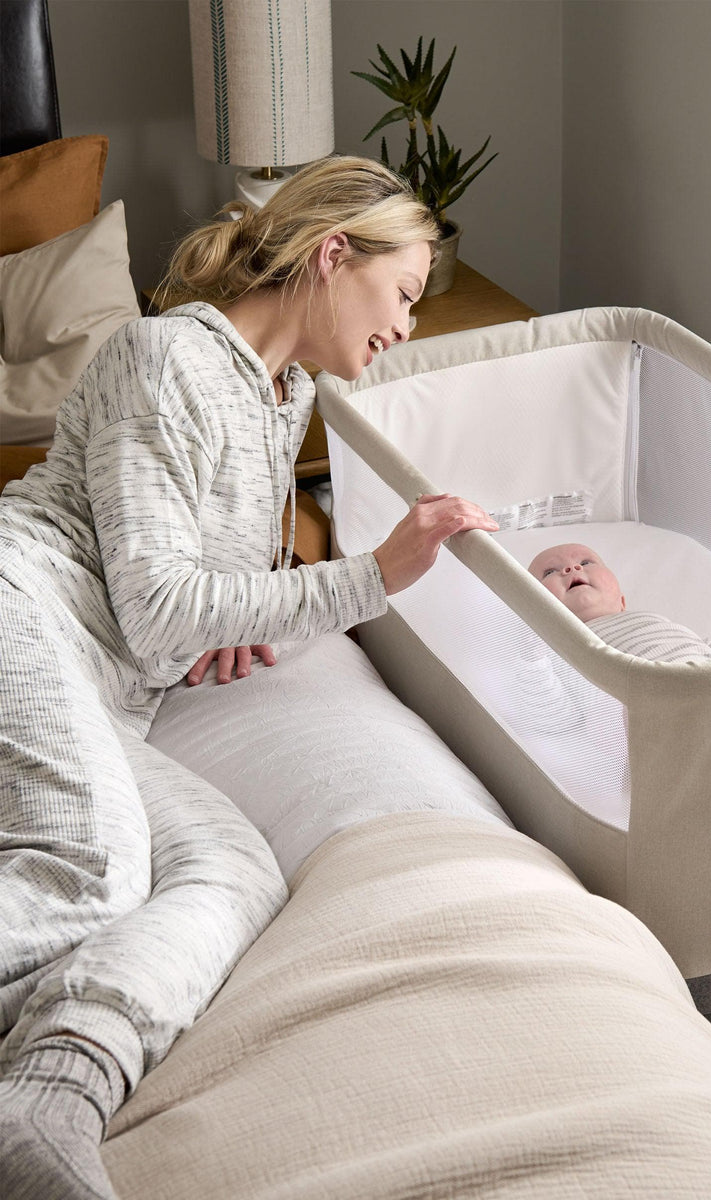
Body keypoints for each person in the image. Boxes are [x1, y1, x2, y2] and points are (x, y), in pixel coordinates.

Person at [0, 154, 499, 1200]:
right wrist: (373, 577)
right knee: (92, 873)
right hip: (23, 606)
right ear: (333, 254)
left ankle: (52, 1093)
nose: (407, 325)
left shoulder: (285, 397)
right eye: (403, 292)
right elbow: (159, 608)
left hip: (106, 684)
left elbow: (189, 600)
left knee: (234, 873)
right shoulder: (163, 355)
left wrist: (231, 612)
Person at [527, 542, 711, 663]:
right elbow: (557, 711)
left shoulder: (651, 619)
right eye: (549, 572)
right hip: (649, 700)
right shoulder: (561, 648)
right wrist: (533, 658)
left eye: (585, 562)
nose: (572, 568)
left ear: (621, 602)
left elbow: (708, 645)